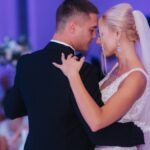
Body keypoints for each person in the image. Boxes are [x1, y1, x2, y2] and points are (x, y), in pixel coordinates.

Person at [4, 1, 144, 150]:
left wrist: (39, 103)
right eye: (91, 30)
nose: (93, 37)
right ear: (72, 27)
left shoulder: (27, 62)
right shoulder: (82, 70)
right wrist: (139, 133)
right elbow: (96, 131)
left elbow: (11, 110)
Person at [53, 3, 150, 150]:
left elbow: (97, 121)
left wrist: (73, 76)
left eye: (101, 34)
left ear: (117, 34)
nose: (98, 41)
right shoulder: (116, 69)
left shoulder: (137, 78)